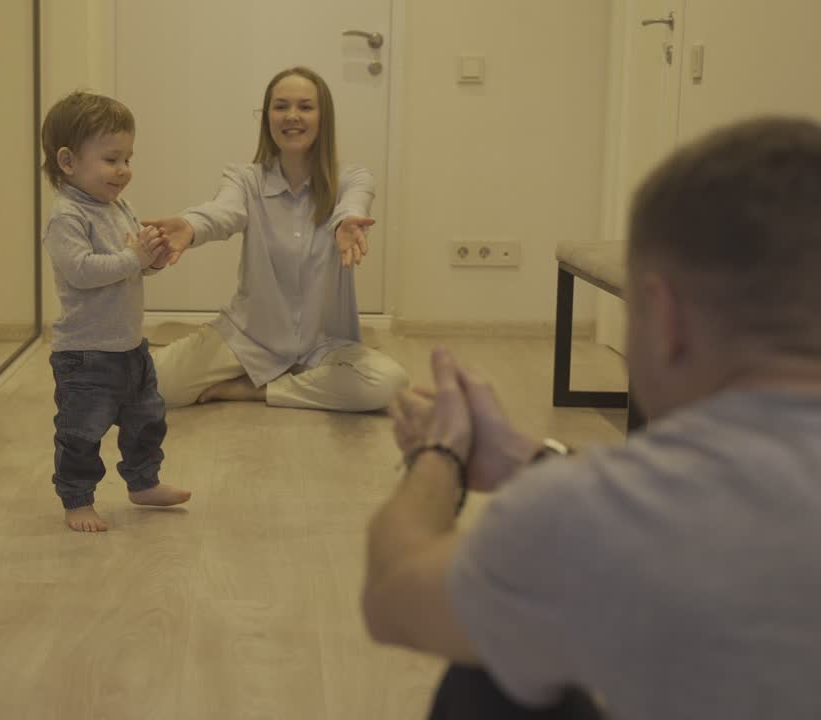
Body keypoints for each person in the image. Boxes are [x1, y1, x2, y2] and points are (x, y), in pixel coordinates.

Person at [363, 117, 821, 719]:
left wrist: (439, 454)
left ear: (664, 316)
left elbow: (396, 594)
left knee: (486, 683)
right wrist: (536, 461)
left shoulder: (592, 521)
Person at [144, 67, 407, 412]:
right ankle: (290, 381)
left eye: (305, 107)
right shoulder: (244, 179)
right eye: (281, 106)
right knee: (151, 386)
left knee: (390, 384)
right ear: (267, 116)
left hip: (324, 345)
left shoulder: (352, 178)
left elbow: (353, 205)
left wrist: (346, 222)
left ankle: (256, 390)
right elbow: (225, 212)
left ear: (323, 116)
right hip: (249, 338)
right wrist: (191, 227)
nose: (292, 116)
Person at [40, 91, 192, 532]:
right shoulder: (67, 217)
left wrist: (154, 258)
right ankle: (77, 500)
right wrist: (135, 259)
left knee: (147, 421)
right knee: (81, 433)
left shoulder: (119, 206)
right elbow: (83, 272)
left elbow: (132, 265)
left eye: (127, 158)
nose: (123, 170)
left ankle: (143, 483)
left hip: (129, 346)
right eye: (111, 159)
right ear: (68, 162)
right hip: (85, 355)